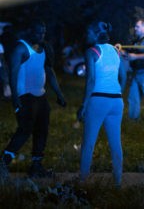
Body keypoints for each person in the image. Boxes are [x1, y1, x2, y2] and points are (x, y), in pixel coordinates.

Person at [0, 19, 66, 179]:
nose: (40, 35)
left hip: (41, 95)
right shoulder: (20, 48)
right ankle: (3, 164)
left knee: (42, 131)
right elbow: (13, 74)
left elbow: (50, 72)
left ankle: (36, 167)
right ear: (30, 31)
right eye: (37, 32)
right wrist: (15, 98)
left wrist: (59, 94)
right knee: (24, 130)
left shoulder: (44, 48)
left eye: (43, 32)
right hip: (25, 96)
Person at [77, 21, 126, 187]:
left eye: (89, 32)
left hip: (98, 99)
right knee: (115, 143)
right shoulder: (115, 51)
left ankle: (82, 181)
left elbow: (90, 80)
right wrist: (118, 92)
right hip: (116, 100)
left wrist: (83, 105)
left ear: (96, 34)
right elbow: (123, 76)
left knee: (88, 143)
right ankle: (118, 182)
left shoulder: (91, 52)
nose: (86, 35)